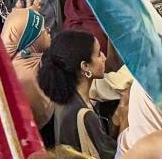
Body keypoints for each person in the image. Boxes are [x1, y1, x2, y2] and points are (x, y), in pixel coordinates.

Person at [36, 29, 115, 157]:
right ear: (85, 66)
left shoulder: (63, 98)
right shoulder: (85, 115)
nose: (104, 58)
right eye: (99, 54)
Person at [1, 6, 54, 128]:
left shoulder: (26, 63)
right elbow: (43, 117)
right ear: (31, 39)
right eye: (42, 29)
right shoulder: (27, 79)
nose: (48, 29)